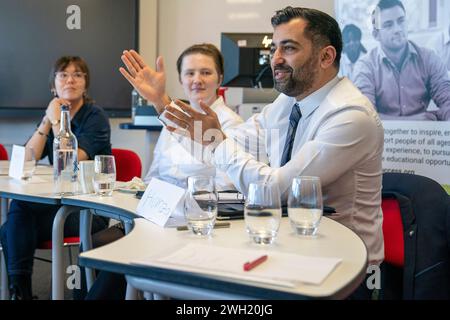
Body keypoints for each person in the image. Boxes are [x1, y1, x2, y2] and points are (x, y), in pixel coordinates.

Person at [121, 6, 385, 299]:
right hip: (289, 250)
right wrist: (162, 103)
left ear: (326, 57)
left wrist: (219, 142)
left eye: (289, 48)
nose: (275, 59)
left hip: (342, 271)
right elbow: (219, 146)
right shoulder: (288, 104)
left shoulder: (350, 115)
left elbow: (277, 189)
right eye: (274, 48)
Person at [0, 56, 112, 300]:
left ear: (85, 84)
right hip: (58, 204)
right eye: (63, 75)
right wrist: (45, 122)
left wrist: (54, 120)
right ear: (54, 86)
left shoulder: (96, 117)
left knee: (12, 226)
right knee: (14, 221)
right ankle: (22, 293)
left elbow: (73, 162)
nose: (70, 80)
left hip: (90, 210)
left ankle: (19, 293)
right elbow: (28, 159)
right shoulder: (51, 117)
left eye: (77, 75)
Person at [143, 43, 243, 189]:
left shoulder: (231, 123)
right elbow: (153, 176)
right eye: (190, 73)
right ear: (180, 80)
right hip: (160, 206)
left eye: (206, 72)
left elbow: (227, 187)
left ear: (220, 79)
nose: (197, 80)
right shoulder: (173, 118)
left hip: (199, 209)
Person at [353, 0, 450, 121]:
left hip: (424, 137)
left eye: (401, 21)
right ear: (376, 35)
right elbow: (365, 117)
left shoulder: (429, 59)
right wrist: (414, 122)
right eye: (388, 25)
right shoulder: (365, 67)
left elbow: (447, 101)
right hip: (382, 138)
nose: (397, 29)